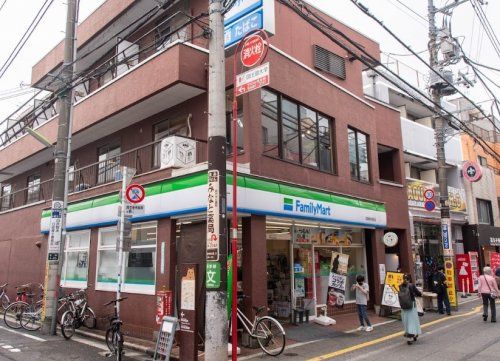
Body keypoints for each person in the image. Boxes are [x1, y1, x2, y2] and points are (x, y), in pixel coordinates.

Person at [399, 274, 422, 345]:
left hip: (403, 306)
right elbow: (418, 293)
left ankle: (409, 335)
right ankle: (412, 336)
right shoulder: (411, 285)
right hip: (411, 305)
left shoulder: (400, 286)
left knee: (406, 321)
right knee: (413, 320)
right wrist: (421, 294)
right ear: (410, 279)